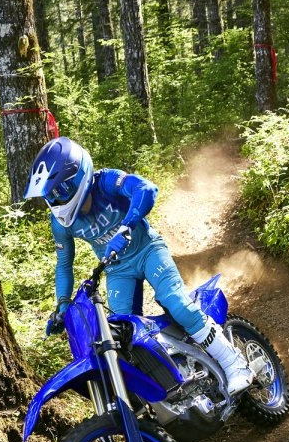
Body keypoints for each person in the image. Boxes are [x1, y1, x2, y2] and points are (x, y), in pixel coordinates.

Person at [24, 136, 255, 395]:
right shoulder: (60, 223)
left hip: (148, 250)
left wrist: (127, 227)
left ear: (79, 176)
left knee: (176, 302)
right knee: (123, 335)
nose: (56, 199)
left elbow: (146, 189)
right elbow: (64, 264)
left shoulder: (106, 182)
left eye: (61, 189)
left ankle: (235, 364)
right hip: (117, 269)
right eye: (51, 194)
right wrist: (63, 306)